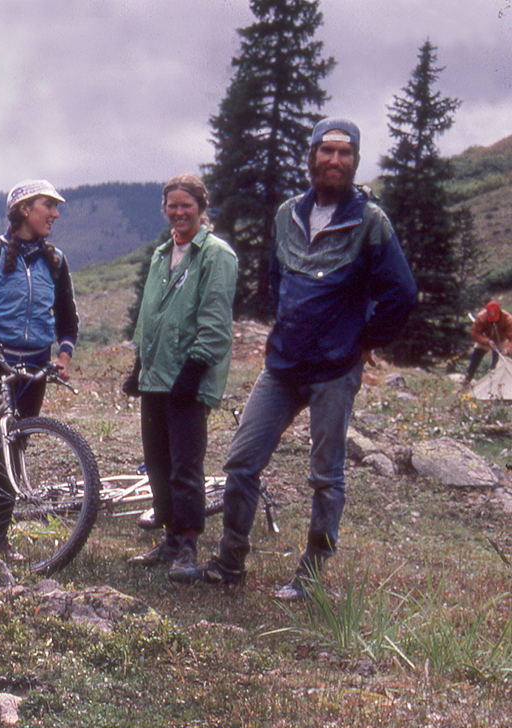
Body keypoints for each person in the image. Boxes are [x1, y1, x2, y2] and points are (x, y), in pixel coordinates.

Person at [173, 118, 415, 601]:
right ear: (311, 156)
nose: (334, 161)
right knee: (241, 462)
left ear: (355, 161)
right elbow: (278, 277)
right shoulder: (287, 214)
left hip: (335, 369)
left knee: (326, 475)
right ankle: (230, 562)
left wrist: (364, 343)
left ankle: (311, 570)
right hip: (282, 365)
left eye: (345, 153)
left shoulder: (371, 221)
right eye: (326, 151)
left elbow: (402, 293)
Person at [123, 174, 237, 576]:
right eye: (172, 205)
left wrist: (193, 371)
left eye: (186, 204)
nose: (179, 212)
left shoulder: (215, 255)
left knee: (185, 464)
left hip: (188, 377)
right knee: (156, 462)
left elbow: (216, 321)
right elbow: (148, 316)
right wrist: (139, 366)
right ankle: (170, 541)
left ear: (201, 208)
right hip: (156, 376)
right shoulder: (161, 255)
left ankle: (187, 544)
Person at [0, 179, 78, 555]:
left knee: (15, 449)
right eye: (49, 206)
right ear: (24, 209)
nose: (56, 214)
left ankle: (0, 540)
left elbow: (67, 318)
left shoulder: (56, 262)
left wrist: (64, 356)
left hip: (33, 370)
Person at [467, 301, 510, 381]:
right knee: (475, 357)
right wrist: (486, 341)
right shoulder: (481, 317)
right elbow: (475, 333)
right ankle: (467, 379)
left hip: (501, 339)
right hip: (485, 338)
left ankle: (497, 380)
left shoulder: (507, 318)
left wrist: (507, 349)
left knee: (498, 362)